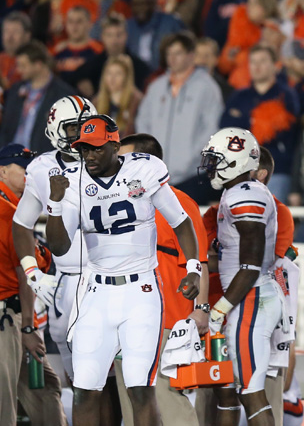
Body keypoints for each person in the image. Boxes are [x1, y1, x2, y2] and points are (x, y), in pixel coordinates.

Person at [46, 114, 201, 426]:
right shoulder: (74, 180)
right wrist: (55, 203)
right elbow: (60, 247)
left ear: (115, 146)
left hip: (141, 291)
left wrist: (194, 268)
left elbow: (181, 221)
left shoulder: (143, 170)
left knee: (140, 389)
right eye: (84, 149)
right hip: (97, 291)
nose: (89, 155)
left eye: (96, 148)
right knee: (85, 390)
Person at [114, 133, 209, 426]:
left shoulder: (180, 203)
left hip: (168, 321)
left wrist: (201, 309)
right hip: (124, 319)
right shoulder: (116, 199)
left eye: (126, 158)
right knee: (132, 405)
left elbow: (200, 262)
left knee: (172, 405)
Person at [198, 128, 283, 425]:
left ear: (235, 161)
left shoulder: (245, 194)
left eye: (216, 160)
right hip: (246, 297)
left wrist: (220, 308)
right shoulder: (236, 193)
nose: (210, 166)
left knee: (250, 391)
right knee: (230, 388)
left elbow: (250, 265)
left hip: (251, 298)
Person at [13, 95, 96, 384]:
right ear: (56, 129)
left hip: (109, 276)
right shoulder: (40, 167)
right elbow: (21, 223)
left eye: (89, 126)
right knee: (76, 373)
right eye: (76, 128)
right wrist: (31, 269)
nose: (84, 135)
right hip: (66, 277)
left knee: (108, 370)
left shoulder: (110, 160)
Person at [0, 143, 69, 426]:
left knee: (44, 389)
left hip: (12, 316)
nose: (30, 175)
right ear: (2, 170)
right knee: (5, 407)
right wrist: (29, 326)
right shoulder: (6, 213)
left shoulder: (15, 208)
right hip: (9, 321)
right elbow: (23, 269)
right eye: (23, 168)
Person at [135, 31, 224, 203]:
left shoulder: (207, 87)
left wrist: (192, 160)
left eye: (178, 53)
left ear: (191, 55)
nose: (172, 58)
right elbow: (142, 122)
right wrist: (150, 154)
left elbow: (212, 129)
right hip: (157, 176)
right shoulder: (156, 86)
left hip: (192, 177)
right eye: (169, 54)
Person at [220, 45, 300, 203]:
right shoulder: (239, 96)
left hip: (275, 169)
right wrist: (256, 122)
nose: (256, 66)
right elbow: (225, 128)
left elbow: (285, 133)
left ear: (274, 65)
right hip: (241, 171)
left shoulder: (286, 95)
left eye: (262, 61)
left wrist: (245, 121)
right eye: (253, 61)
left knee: (271, 220)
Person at [0, 41, 76, 152]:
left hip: (43, 161)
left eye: (23, 65)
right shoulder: (15, 91)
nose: (19, 70)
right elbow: (5, 128)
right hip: (11, 159)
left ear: (38, 65)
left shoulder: (63, 95)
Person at [93, 55, 143, 138]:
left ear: (126, 77)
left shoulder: (136, 101)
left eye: (118, 74)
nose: (112, 78)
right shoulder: (96, 102)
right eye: (109, 73)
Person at [0, 11, 32, 89]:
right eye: (6, 31)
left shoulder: (34, 62)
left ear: (27, 36)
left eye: (16, 31)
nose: (10, 37)